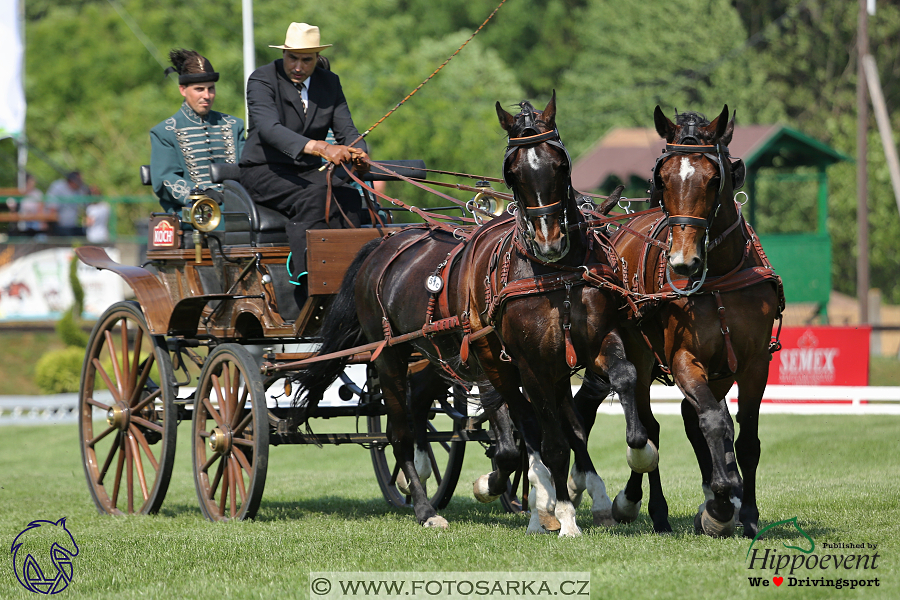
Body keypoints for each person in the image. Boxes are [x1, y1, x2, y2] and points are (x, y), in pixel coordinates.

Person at [239, 22, 370, 303]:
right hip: (264, 170)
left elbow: (347, 130)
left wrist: (361, 154)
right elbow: (268, 129)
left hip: (309, 171)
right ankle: (306, 279)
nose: (298, 66)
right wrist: (321, 147)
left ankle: (353, 278)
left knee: (347, 195)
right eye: (292, 58)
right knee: (318, 194)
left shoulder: (329, 83)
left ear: (315, 58)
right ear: (284, 54)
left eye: (306, 59)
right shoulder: (262, 79)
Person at [150, 49, 245, 212]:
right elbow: (164, 179)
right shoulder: (165, 132)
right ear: (183, 90)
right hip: (193, 212)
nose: (207, 95)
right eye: (199, 89)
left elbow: (248, 169)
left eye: (211, 89)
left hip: (235, 208)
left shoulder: (234, 125)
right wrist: (200, 193)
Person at [46, 171, 88, 237]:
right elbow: (52, 208)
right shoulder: (58, 187)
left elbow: (87, 205)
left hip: (74, 227)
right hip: (60, 226)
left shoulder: (81, 190)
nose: (81, 182)